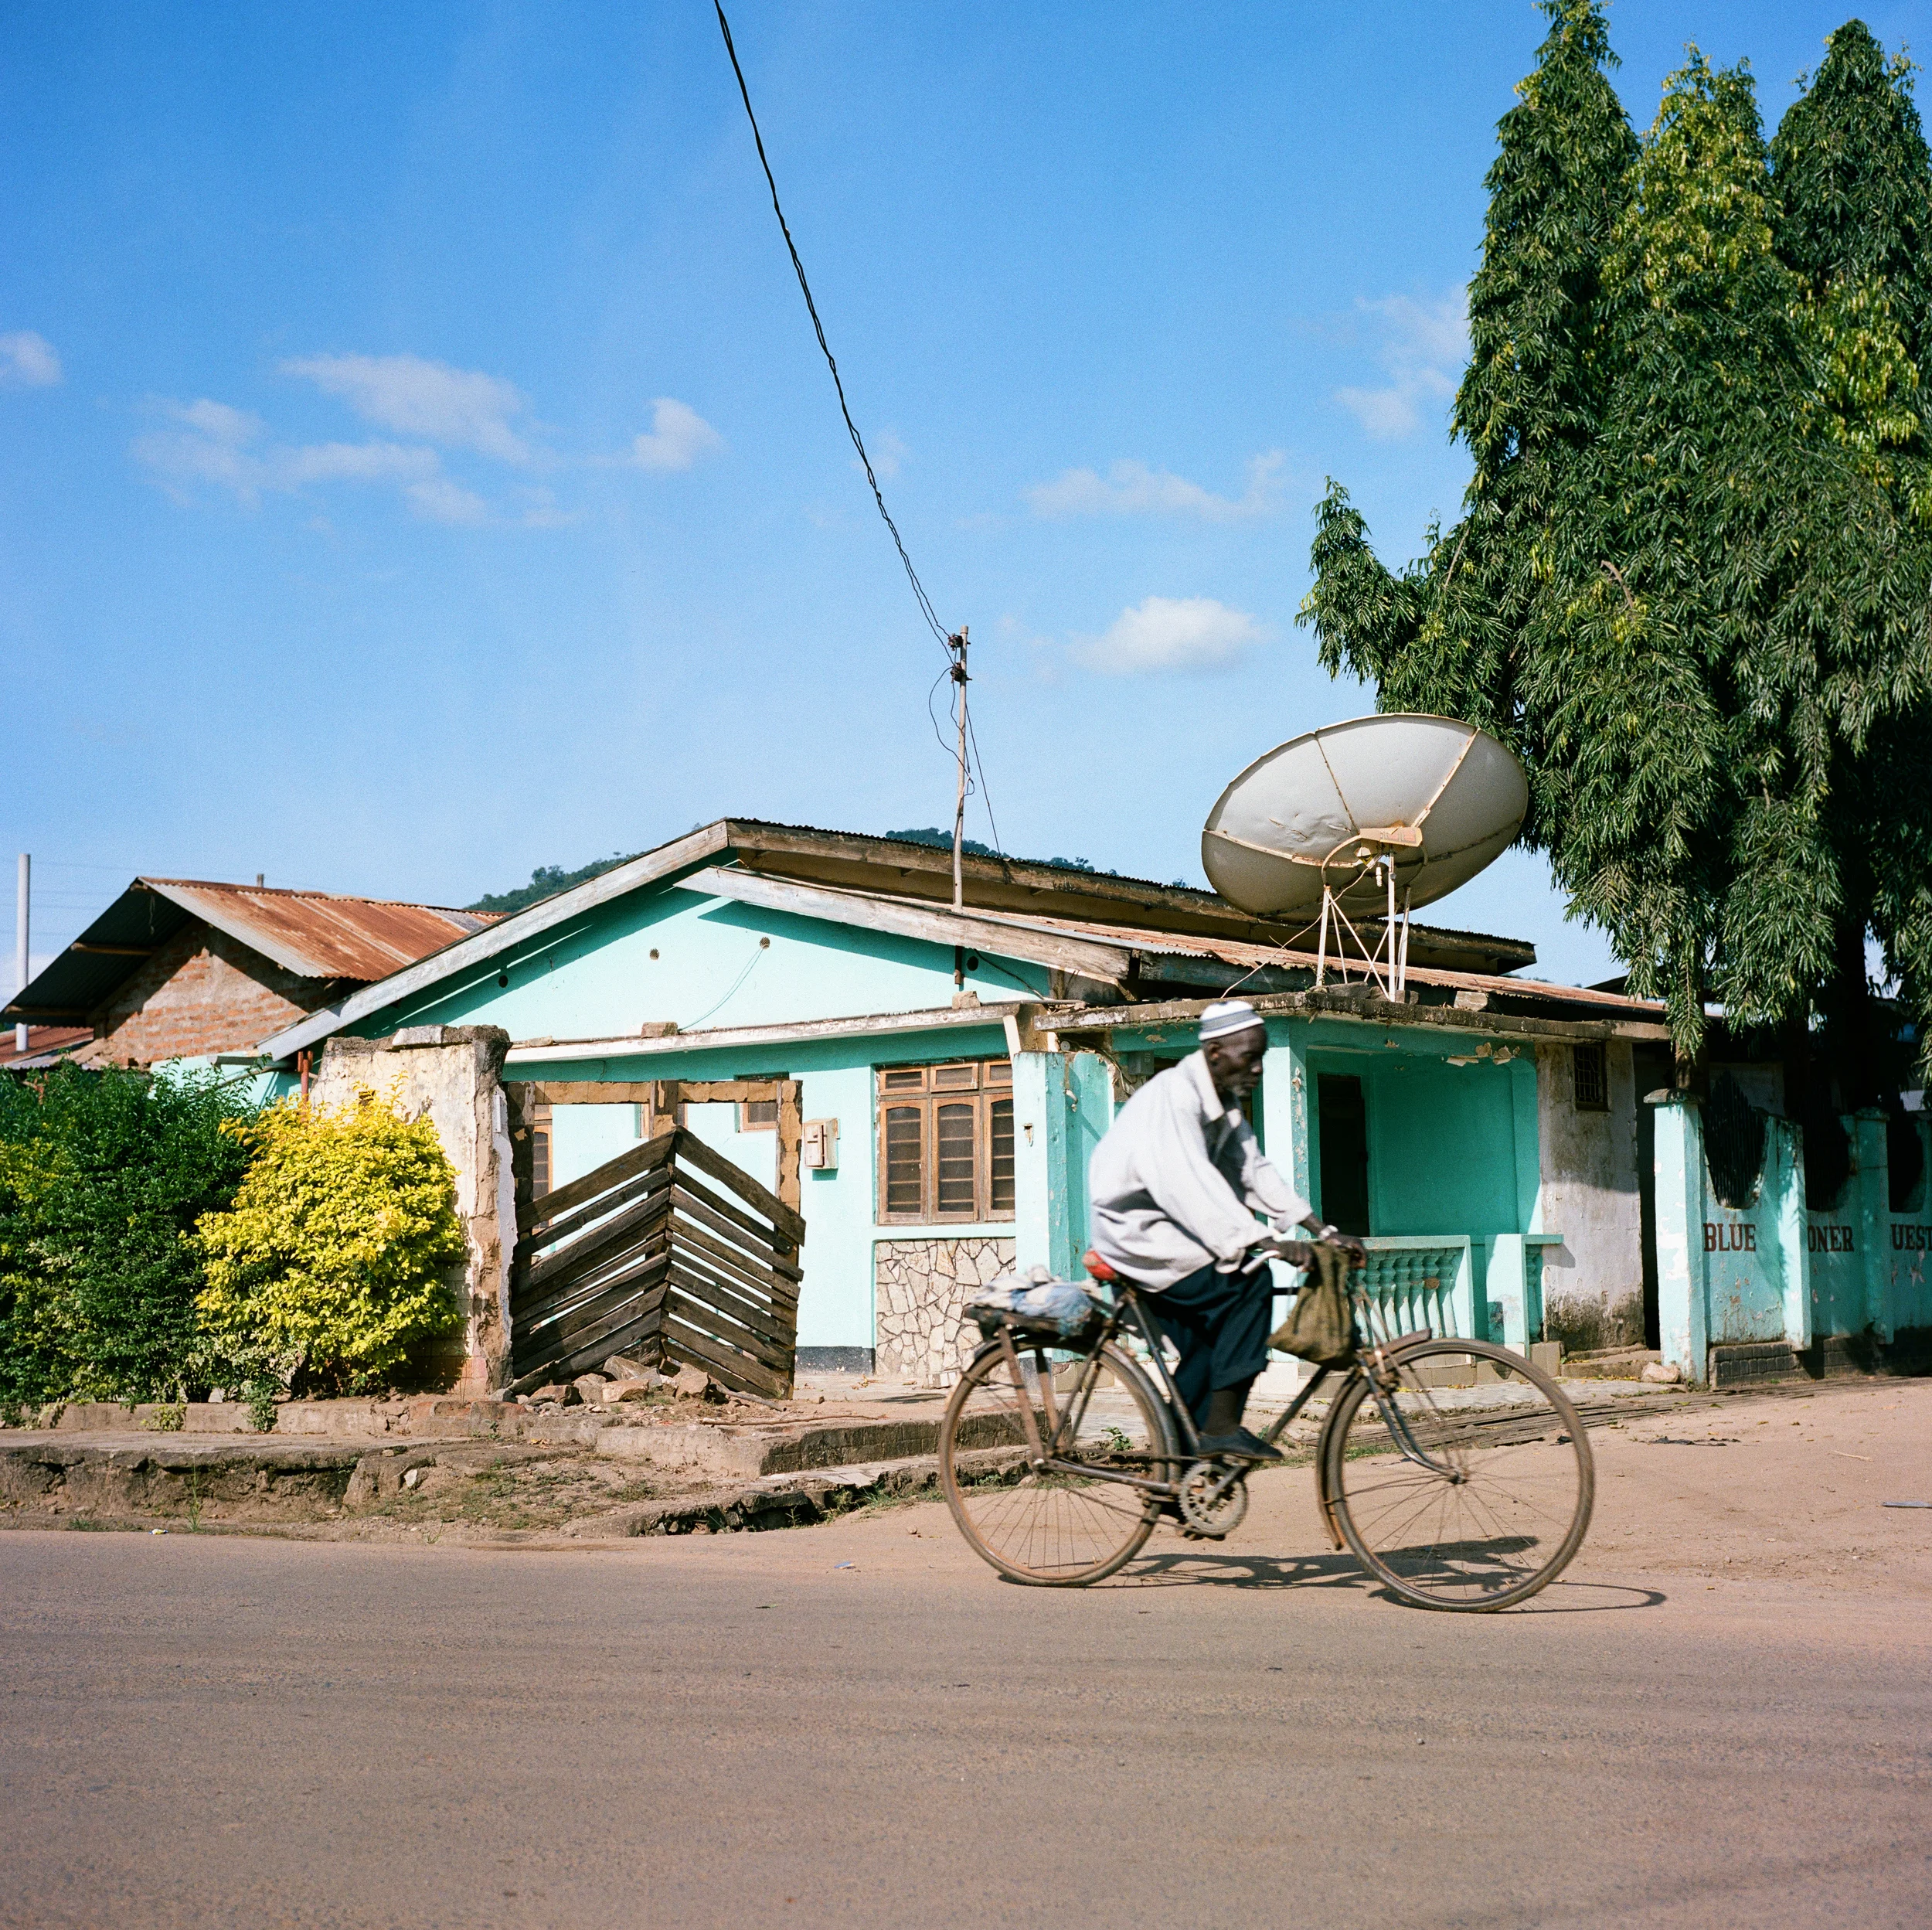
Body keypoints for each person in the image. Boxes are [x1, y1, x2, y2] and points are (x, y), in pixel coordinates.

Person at [1086, 999, 1364, 1461]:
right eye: (1248, 1057)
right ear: (1214, 1053)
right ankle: (1220, 1428)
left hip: (1170, 1230)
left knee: (1210, 1340)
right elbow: (1188, 1183)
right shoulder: (1175, 1094)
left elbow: (1253, 1170)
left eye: (1261, 1057)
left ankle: (1176, 1460)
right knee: (1248, 1281)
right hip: (1136, 1232)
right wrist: (1263, 1241)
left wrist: (1321, 1229)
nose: (1256, 1068)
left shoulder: (1224, 1103)